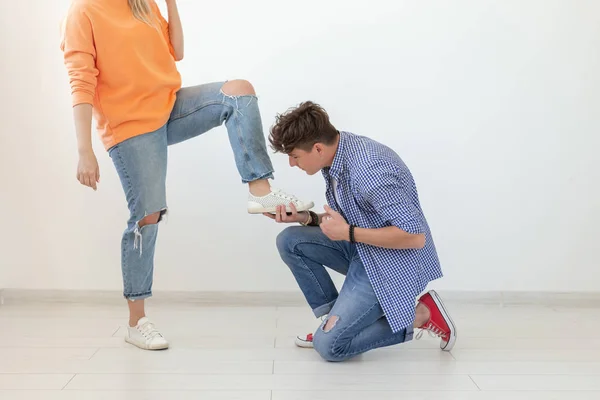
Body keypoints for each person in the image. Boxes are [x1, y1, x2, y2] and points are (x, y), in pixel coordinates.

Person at [60, 0, 313, 351]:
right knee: (147, 217)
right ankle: (137, 322)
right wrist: (84, 150)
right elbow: (81, 81)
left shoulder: (141, 2)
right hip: (129, 127)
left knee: (237, 92)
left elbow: (176, 51)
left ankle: (260, 190)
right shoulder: (83, 11)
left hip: (168, 106)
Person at [264, 101, 457, 362]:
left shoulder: (369, 171)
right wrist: (303, 217)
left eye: (295, 156)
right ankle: (333, 324)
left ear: (317, 148)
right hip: (364, 249)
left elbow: (414, 236)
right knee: (290, 240)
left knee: (330, 348)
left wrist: (348, 233)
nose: (291, 163)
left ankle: (422, 315)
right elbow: (349, 223)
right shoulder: (337, 156)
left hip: (392, 262)